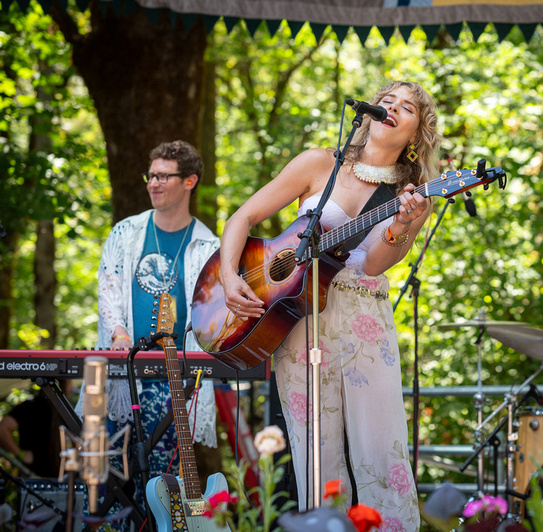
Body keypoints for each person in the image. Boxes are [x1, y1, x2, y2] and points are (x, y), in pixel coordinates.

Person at [219, 81, 441, 531]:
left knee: (382, 450)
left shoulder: (414, 194)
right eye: (386, 101)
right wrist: (227, 276)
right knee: (313, 452)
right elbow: (242, 218)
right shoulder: (319, 163)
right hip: (298, 321)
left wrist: (401, 224)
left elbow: (377, 263)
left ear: (418, 134)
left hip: (365, 322)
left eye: (407, 108)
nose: (392, 109)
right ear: (366, 112)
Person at [76, 140, 220, 522]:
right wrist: (119, 332)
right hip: (118, 374)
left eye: (163, 176)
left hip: (173, 376)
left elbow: (212, 314)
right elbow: (108, 289)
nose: (153, 183)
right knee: (108, 478)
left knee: (162, 483)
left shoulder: (209, 245)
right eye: (150, 175)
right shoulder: (125, 233)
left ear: (189, 181)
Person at [0, 381, 69, 478]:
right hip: (34, 478)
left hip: (62, 479)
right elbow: (3, 429)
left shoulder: (68, 410)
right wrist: (21, 454)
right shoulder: (32, 406)